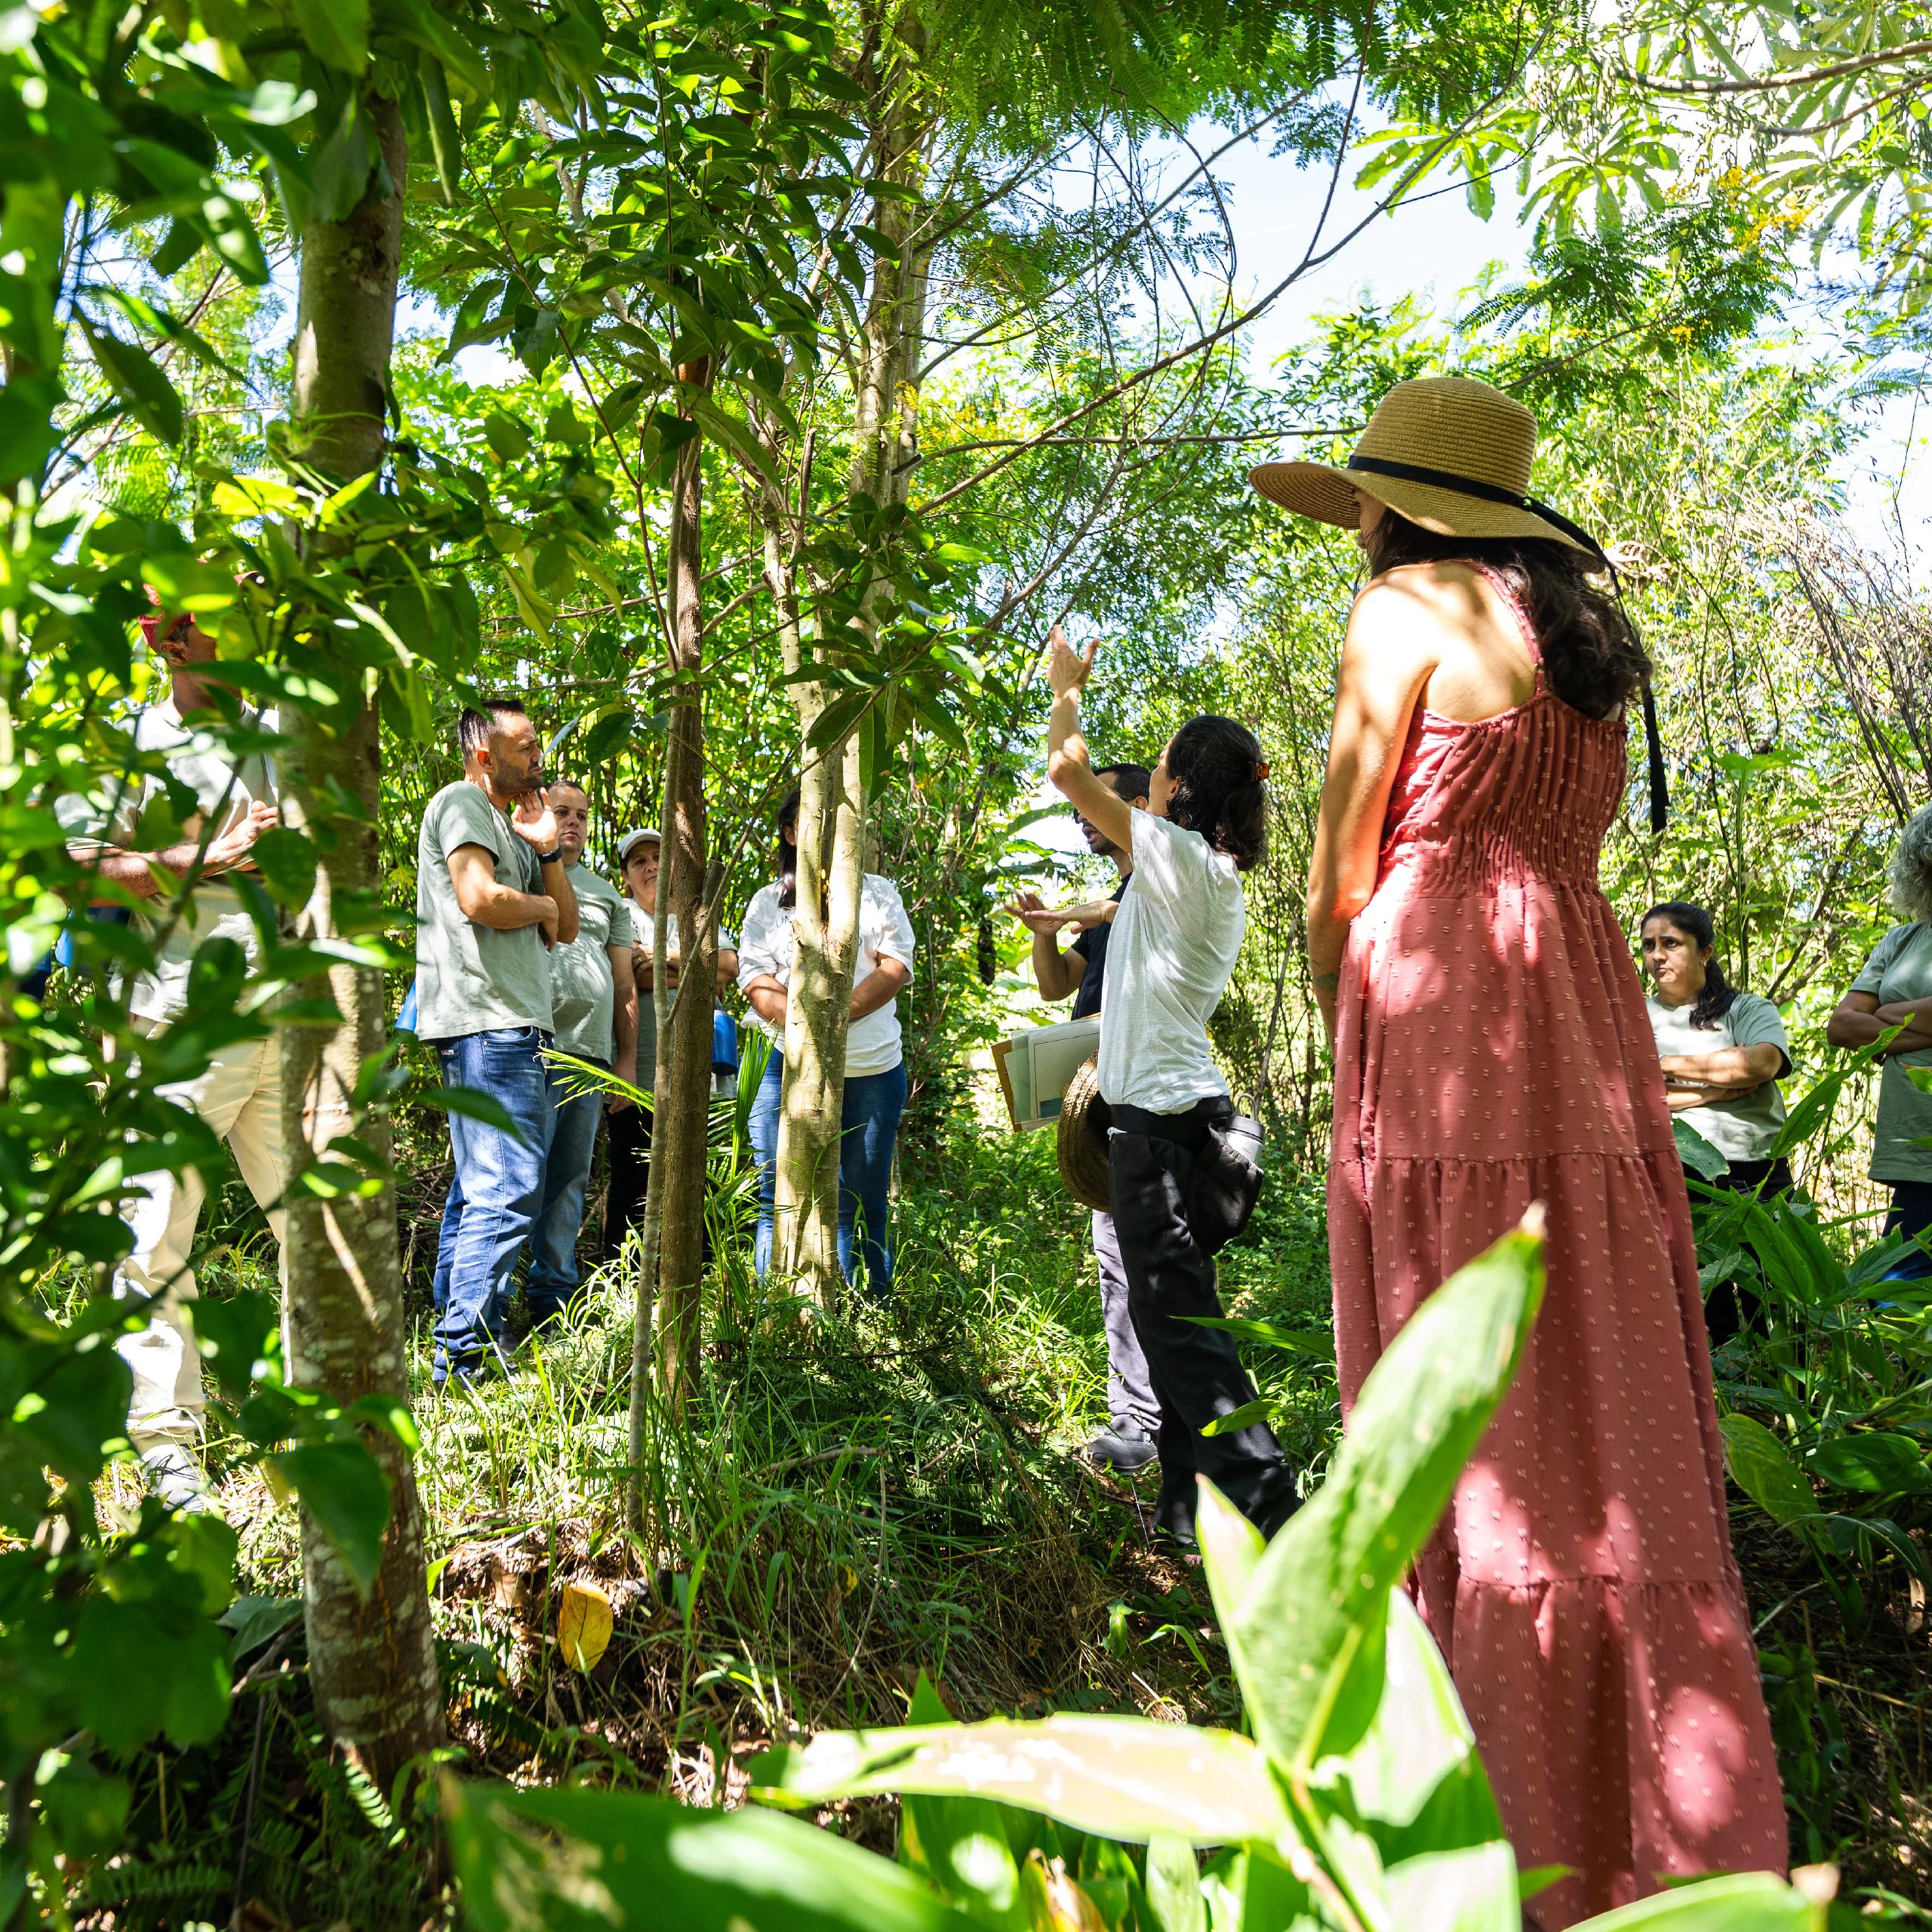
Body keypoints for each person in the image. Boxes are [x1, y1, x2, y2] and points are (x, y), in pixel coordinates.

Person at [1264, 374, 1784, 1920]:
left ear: (1397, 505)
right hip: (1576, 1006)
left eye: (1362, 497)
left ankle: (1482, 1828)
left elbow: (1338, 872)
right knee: (1601, 1386)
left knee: (1459, 1390)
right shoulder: (1571, 643)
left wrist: (1346, 1011)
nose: (1354, 522)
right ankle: (1656, 1845)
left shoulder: (1399, 609)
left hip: (1443, 1014)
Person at [1041, 632, 1298, 1548]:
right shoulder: (1194, 874)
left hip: (1160, 1131)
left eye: (1156, 767)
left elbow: (1067, 772)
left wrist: (1064, 690)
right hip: (1181, 1124)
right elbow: (1110, 901)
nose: (1145, 779)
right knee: (1173, 1325)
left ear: (1179, 785)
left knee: (1184, 1337)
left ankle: (1281, 1522)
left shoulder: (1182, 861)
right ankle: (1187, 1520)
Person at [57, 604, 282, 1512]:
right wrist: (194, 858)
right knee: (154, 1235)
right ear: (170, 642)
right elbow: (74, 862)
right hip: (180, 1017)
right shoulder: (132, 743)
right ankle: (167, 1448)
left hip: (297, 1017)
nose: (245, 630)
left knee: (329, 1225)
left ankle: (333, 1424)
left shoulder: (286, 729)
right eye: (220, 619)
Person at [418, 698, 577, 1386]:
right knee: (508, 1187)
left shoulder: (513, 827)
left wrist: (546, 852)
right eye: (526, 747)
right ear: (485, 756)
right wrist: (538, 907)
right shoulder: (462, 802)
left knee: (479, 1188)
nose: (539, 758)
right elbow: (480, 899)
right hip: (487, 1022)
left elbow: (567, 926)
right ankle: (465, 1357)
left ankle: (453, 1341)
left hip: (517, 1023)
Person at [1010, 761, 1163, 1474]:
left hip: (1149, 1088)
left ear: (1137, 806)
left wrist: (1083, 912)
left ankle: (1151, 1424)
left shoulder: (1157, 890)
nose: (1080, 815)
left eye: (1092, 802)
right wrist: (1044, 928)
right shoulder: (1112, 904)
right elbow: (1055, 985)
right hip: (1099, 1095)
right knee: (1115, 1258)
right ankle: (1137, 1418)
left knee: (1147, 1255)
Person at [740, 789, 914, 1296]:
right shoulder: (768, 901)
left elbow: (895, 967)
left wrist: (835, 1017)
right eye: (810, 823)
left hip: (870, 1071)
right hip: (784, 1065)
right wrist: (805, 1025)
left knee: (861, 1202)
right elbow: (755, 979)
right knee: (776, 1196)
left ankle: (870, 1312)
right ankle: (773, 1309)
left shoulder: (877, 892)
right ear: (791, 833)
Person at [521, 779, 637, 1327]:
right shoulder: (522, 868)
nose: (572, 822)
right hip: (529, 1047)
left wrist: (626, 1062)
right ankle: (487, 1302)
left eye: (581, 815)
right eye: (562, 811)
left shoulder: (606, 893)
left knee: (569, 1179)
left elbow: (625, 983)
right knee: (517, 1176)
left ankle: (552, 1300)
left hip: (589, 1055)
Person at [601, 826, 739, 1255]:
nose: (651, 867)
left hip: (702, 1073)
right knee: (632, 1178)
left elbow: (729, 967)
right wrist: (700, 972)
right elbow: (632, 977)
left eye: (659, 857)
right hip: (640, 1072)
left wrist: (661, 957)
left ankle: (704, 1274)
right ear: (626, 876)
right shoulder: (621, 913)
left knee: (702, 1178)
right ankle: (621, 1277)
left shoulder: (696, 916)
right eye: (639, 861)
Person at [1827, 801, 1932, 1279]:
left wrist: (1886, 1024)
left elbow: (1866, 1022)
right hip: (1911, 1150)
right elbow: (1842, 1027)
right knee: (1894, 1303)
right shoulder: (1900, 941)